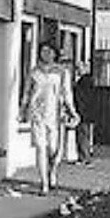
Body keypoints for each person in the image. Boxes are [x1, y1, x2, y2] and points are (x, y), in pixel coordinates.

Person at [20, 41, 78, 195]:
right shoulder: (34, 72)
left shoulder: (61, 72)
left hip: (55, 115)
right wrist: (23, 109)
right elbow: (27, 92)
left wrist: (72, 111)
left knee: (53, 149)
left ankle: (52, 170)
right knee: (40, 147)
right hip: (37, 114)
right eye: (43, 51)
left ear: (54, 53)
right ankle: (44, 183)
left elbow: (66, 93)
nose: (45, 54)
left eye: (49, 51)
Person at [74, 64, 95, 164]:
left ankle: (83, 158)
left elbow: (80, 98)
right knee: (86, 136)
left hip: (83, 113)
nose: (77, 70)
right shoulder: (90, 81)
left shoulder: (83, 82)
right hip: (89, 113)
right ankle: (86, 157)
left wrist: (77, 112)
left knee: (82, 136)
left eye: (79, 68)